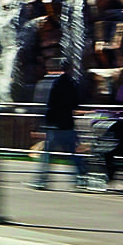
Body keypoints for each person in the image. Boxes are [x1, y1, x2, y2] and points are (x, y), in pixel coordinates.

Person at [28, 59, 88, 189]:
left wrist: (43, 123)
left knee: (47, 155)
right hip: (67, 123)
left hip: (54, 126)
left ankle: (42, 180)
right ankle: (80, 179)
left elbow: (49, 105)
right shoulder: (72, 83)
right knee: (73, 153)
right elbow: (75, 103)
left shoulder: (53, 83)